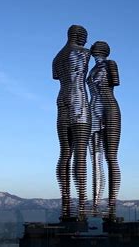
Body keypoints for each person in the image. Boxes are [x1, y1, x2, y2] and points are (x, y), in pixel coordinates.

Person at [53, 25, 91, 220]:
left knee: (65, 153)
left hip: (61, 101)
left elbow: (56, 77)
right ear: (78, 35)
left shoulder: (57, 58)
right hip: (79, 101)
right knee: (81, 155)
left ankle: (66, 204)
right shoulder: (84, 53)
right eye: (85, 36)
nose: (86, 40)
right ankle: (82, 208)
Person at [87, 41, 121, 220]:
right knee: (94, 160)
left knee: (111, 157)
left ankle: (111, 207)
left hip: (109, 110)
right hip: (93, 113)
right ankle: (95, 205)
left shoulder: (110, 64)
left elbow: (114, 83)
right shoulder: (91, 70)